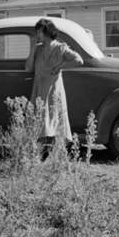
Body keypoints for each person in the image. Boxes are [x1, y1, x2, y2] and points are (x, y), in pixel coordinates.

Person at [25, 18, 83, 156]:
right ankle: (38, 154)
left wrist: (60, 67)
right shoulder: (38, 49)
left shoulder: (60, 47)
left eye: (39, 31)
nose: (37, 34)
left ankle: (55, 155)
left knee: (55, 120)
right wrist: (32, 48)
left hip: (53, 90)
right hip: (39, 89)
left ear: (47, 32)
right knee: (39, 120)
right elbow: (28, 68)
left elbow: (78, 60)